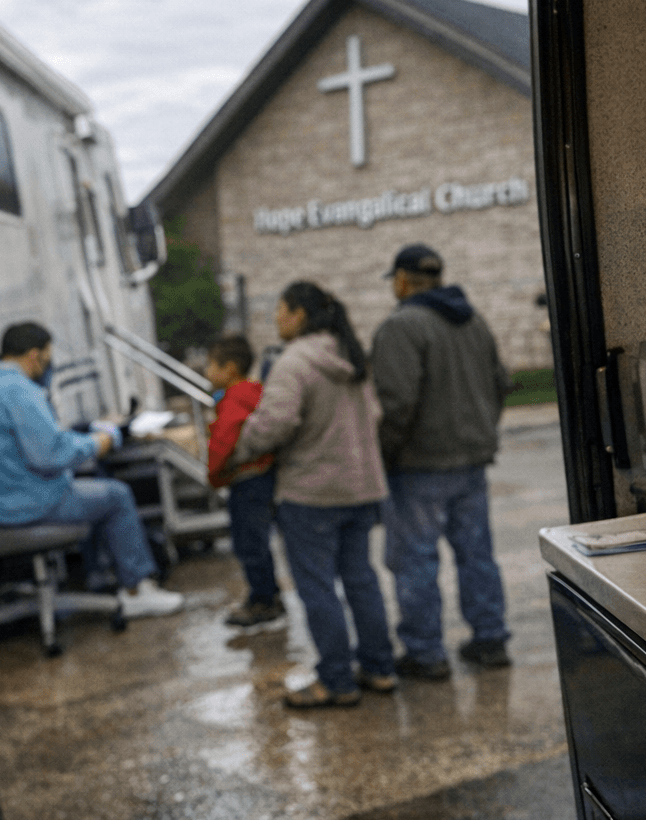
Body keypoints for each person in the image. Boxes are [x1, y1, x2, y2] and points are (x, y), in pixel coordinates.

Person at [232, 282, 395, 709]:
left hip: (311, 494)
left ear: (299, 315)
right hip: (360, 488)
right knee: (361, 579)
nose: (276, 319)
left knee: (318, 587)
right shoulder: (350, 355)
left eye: (280, 310)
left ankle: (337, 681)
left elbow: (275, 424)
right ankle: (379, 669)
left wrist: (242, 442)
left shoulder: (295, 361)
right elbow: (374, 414)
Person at [0, 322, 184, 619]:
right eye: (47, 356)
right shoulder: (18, 390)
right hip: (28, 506)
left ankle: (99, 577)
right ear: (33, 356)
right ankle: (136, 589)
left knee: (89, 489)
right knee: (116, 495)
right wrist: (102, 440)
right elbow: (52, 455)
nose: (48, 364)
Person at [373, 244, 514, 679]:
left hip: (419, 468)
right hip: (471, 463)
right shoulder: (473, 321)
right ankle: (490, 640)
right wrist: (481, 431)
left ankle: (425, 653)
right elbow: (501, 384)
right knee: (477, 555)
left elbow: (395, 404)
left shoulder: (400, 326)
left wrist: (384, 456)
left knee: (415, 560)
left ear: (401, 280)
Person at [203, 335, 283, 630]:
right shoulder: (255, 392)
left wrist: (214, 473)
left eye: (212, 366)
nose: (207, 372)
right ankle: (270, 594)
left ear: (231, 369)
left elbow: (223, 439)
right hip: (262, 476)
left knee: (248, 542)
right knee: (259, 541)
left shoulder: (234, 398)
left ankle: (263, 601)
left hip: (246, 481)